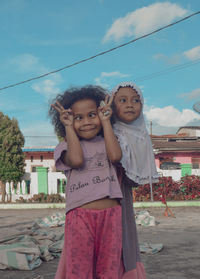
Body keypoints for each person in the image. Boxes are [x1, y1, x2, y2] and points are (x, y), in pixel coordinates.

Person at [49, 85, 123, 279]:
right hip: (80, 215)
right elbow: (77, 160)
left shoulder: (108, 141)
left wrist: (106, 122)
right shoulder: (63, 148)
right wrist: (68, 126)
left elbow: (115, 156)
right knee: (79, 270)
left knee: (110, 269)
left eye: (92, 115)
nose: (86, 122)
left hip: (112, 215)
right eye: (78, 118)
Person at [111, 81, 159, 279]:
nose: (130, 104)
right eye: (122, 100)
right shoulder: (106, 130)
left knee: (124, 238)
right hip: (102, 193)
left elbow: (134, 176)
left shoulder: (141, 135)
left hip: (122, 194)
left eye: (136, 100)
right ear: (111, 106)